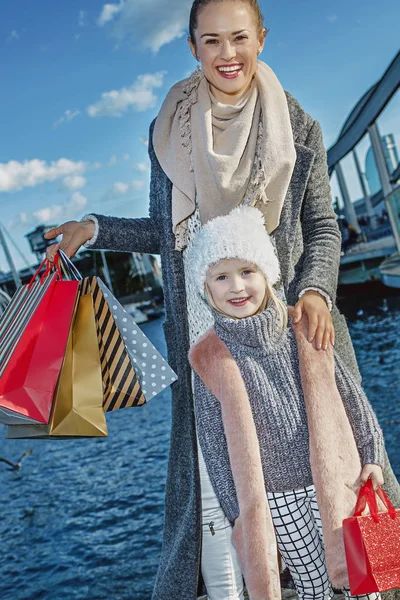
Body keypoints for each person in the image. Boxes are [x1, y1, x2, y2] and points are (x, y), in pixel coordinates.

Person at [44, 0, 400, 597]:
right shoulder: (169, 136)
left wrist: (314, 288)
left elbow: (323, 227)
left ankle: (383, 584)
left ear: (261, 37)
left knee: (357, 492)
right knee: (225, 505)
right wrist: (95, 228)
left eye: (239, 37)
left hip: (298, 334)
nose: (227, 53)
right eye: (211, 41)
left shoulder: (300, 129)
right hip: (213, 342)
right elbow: (168, 233)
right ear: (192, 47)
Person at [188, 205, 387, 600]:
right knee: (313, 588)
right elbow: (215, 448)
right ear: (206, 288)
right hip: (277, 502)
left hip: (340, 479)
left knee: (367, 583)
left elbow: (350, 395)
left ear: (267, 273)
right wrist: (243, 516)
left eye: (247, 271)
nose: (237, 287)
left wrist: (373, 455)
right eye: (222, 277)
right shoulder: (208, 358)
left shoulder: (302, 325)